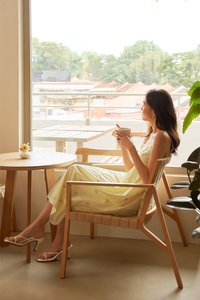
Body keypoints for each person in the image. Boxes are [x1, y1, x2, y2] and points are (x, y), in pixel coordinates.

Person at [4, 89, 180, 262]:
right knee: (74, 171)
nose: (141, 107)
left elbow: (147, 180)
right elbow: (131, 170)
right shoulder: (154, 135)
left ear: (155, 110)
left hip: (128, 195)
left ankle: (42, 232)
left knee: (70, 188)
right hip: (128, 183)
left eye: (144, 104)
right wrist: (123, 146)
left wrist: (131, 147)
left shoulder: (161, 137)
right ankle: (48, 236)